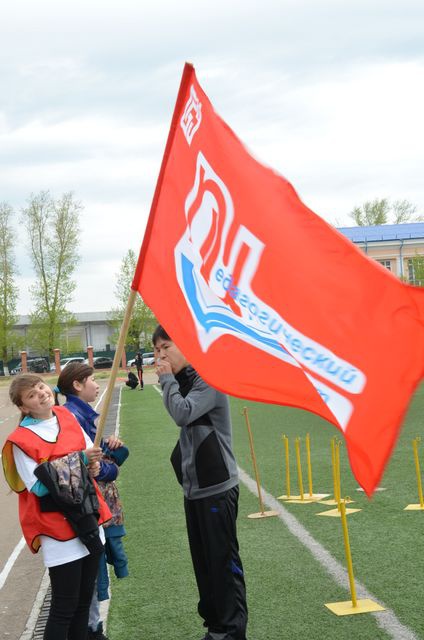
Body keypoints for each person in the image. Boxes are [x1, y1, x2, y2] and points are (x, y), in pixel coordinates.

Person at [153, 325, 248, 640]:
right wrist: (172, 379)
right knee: (204, 564)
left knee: (222, 562)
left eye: (166, 347)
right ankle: (216, 626)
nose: (161, 355)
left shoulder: (208, 379)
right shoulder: (186, 379)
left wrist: (167, 380)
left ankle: (232, 631)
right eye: (157, 350)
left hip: (217, 488)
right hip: (195, 490)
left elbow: (183, 413)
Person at [2, 373, 111, 640]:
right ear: (23, 407)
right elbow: (39, 487)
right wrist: (80, 460)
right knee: (64, 607)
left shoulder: (66, 415)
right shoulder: (20, 440)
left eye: (41, 387)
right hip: (58, 529)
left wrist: (94, 465)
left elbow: (89, 455)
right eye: (31, 394)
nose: (41, 393)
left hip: (88, 517)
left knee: (84, 603)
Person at [55, 362, 129, 640]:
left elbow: (109, 459)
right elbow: (91, 470)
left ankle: (91, 627)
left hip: (93, 503)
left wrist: (114, 452)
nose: (97, 385)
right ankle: (91, 629)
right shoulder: (71, 417)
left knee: (92, 573)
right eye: (92, 379)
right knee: (89, 575)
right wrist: (108, 467)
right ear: (77, 385)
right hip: (87, 506)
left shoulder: (81, 414)